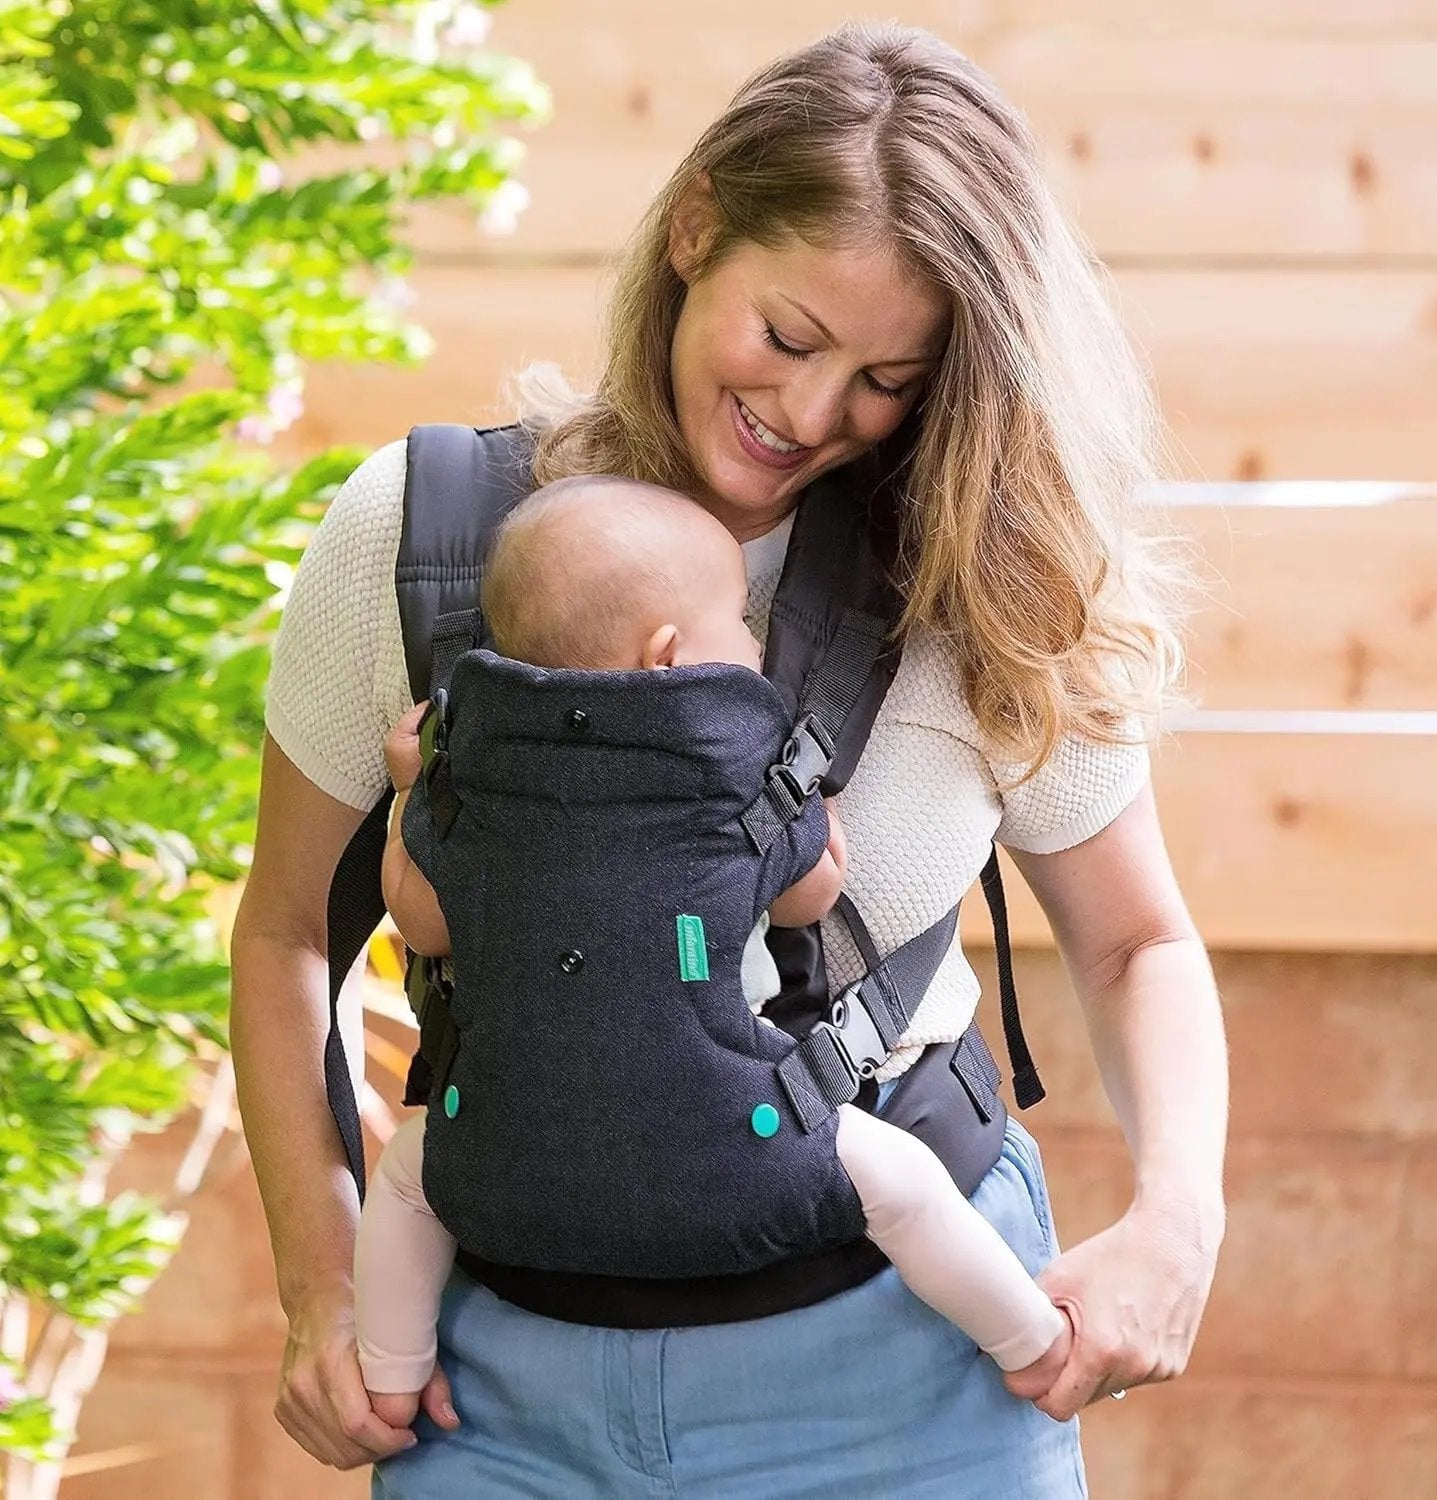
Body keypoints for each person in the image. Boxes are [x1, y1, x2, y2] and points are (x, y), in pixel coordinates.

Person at [231, 21, 1227, 1496]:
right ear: (697, 226)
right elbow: (281, 937)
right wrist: (324, 1284)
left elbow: (1140, 940)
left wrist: (1177, 1217)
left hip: (913, 1373)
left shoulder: (985, 568)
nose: (816, 417)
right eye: (792, 337)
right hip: (495, 1390)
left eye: (890, 376)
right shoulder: (426, 538)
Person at [354, 476, 1072, 1426]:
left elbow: (424, 923)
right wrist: (816, 817)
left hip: (507, 1158)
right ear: (668, 659)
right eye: (738, 619)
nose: (753, 643)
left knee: (407, 1181)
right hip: (736, 1138)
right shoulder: (730, 774)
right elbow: (810, 898)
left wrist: (411, 794)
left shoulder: (473, 780)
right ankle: (1031, 1345)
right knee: (904, 1191)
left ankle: (391, 1380)